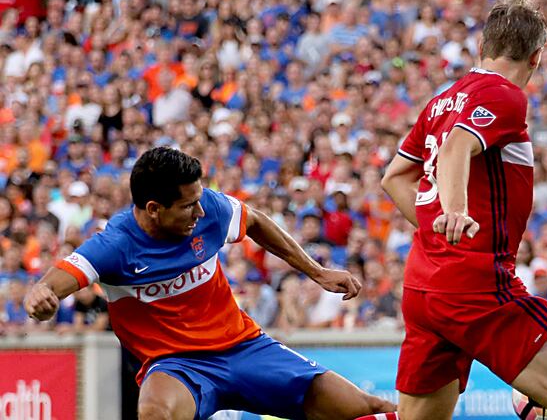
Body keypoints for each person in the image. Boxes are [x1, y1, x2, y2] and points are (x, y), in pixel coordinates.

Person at [24, 147, 396, 420]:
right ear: (154, 209)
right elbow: (53, 282)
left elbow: (256, 222)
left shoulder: (209, 208)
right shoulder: (115, 246)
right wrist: (41, 296)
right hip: (177, 365)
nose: (201, 212)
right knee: (155, 413)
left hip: (244, 347)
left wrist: (317, 271)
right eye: (188, 206)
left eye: (200, 200)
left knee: (367, 409)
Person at [381, 0, 547, 420]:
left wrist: (437, 229)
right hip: (475, 283)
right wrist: (454, 211)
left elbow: (395, 178)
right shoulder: (505, 95)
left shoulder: (442, 101)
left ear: (482, 46)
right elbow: (457, 147)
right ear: (536, 57)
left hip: (423, 285)